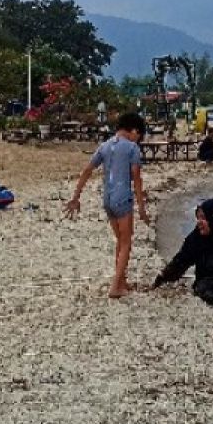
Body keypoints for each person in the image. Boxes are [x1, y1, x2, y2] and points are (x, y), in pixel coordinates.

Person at [65, 112, 149, 298]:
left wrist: (76, 196)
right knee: (126, 242)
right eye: (139, 135)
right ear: (134, 130)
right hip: (122, 197)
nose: (139, 139)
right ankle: (115, 287)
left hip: (108, 199)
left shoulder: (104, 146)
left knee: (120, 240)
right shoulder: (132, 148)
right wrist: (142, 208)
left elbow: (87, 170)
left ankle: (121, 280)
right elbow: (137, 179)